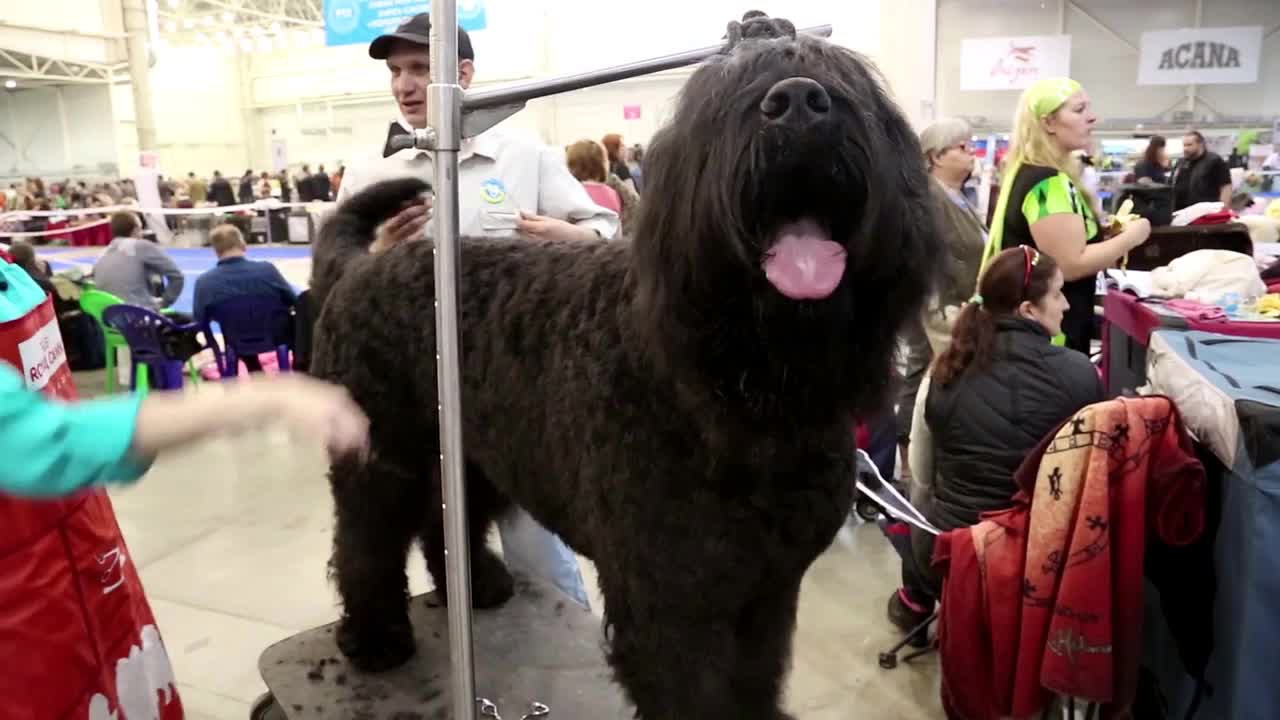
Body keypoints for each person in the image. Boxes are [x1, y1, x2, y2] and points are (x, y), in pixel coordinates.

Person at [327, 12, 619, 609]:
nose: (404, 85)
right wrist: (376, 257)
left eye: (419, 69)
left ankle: (571, 660)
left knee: (538, 543)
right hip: (400, 384)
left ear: (462, 75)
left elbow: (603, 233)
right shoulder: (370, 172)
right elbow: (339, 274)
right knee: (386, 517)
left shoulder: (526, 156)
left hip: (515, 388)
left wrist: (565, 239)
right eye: (395, 72)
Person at [888, 247, 1104, 634]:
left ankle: (914, 600)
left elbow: (921, 474)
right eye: (1057, 294)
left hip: (949, 559)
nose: (1067, 305)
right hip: (1038, 566)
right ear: (1027, 311)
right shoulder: (1080, 375)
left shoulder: (945, 371)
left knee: (923, 487)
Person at [984, 77, 1151, 354]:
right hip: (1050, 338)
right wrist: (1132, 237)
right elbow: (1070, 264)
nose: (1092, 117)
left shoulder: (1030, 173)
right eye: (1079, 110)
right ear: (1048, 123)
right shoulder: (1047, 182)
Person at [897, 118, 988, 479]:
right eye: (962, 147)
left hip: (960, 304)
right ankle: (909, 465)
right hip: (936, 305)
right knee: (920, 373)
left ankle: (923, 457)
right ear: (935, 156)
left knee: (927, 374)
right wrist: (938, 310)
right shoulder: (929, 199)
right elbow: (925, 257)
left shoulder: (958, 197)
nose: (972, 154)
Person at [193, 224, 298, 371]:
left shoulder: (204, 282)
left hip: (235, 339)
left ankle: (249, 365)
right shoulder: (267, 270)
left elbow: (199, 319)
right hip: (276, 336)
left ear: (216, 251)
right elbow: (293, 301)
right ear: (242, 244)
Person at [92, 211, 185, 312]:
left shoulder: (102, 254)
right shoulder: (141, 246)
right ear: (136, 230)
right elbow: (177, 276)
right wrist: (165, 302)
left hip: (110, 319)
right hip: (139, 317)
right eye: (141, 229)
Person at [565, 139, 639, 237]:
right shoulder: (613, 193)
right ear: (603, 163)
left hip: (578, 247)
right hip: (609, 247)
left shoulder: (570, 193)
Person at [1171, 131, 1233, 209]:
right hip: (1181, 211)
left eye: (1189, 145)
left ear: (1200, 144)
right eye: (1184, 145)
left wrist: (1223, 208)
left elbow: (1226, 186)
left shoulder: (1214, 161)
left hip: (1206, 211)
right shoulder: (1180, 163)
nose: (1185, 148)